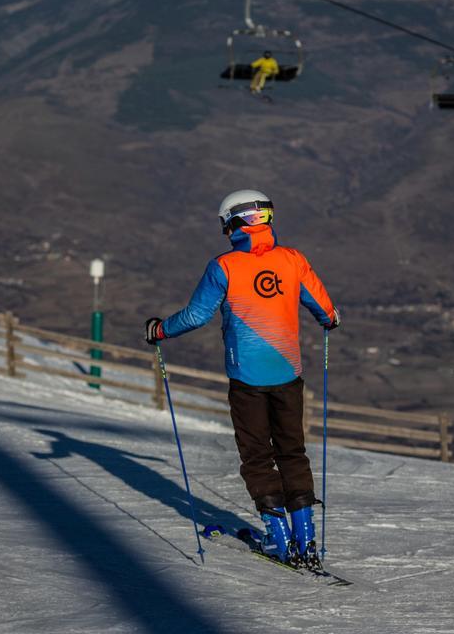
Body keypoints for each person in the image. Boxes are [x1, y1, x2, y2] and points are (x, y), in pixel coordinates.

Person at [145, 190, 340, 568]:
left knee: (257, 456)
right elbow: (325, 309)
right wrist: (329, 319)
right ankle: (307, 538)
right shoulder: (293, 260)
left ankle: (279, 539)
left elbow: (195, 317)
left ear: (233, 223)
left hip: (246, 379)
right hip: (288, 374)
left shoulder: (225, 266)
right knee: (292, 452)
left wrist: (160, 330)